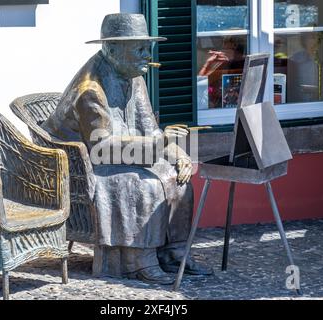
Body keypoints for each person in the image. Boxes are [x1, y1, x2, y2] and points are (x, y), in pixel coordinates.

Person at [41, 13, 212, 285]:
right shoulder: (90, 90)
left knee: (180, 181)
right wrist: (160, 145)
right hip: (85, 164)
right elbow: (102, 147)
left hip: (122, 153)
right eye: (140, 49)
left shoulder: (134, 76)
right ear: (111, 49)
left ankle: (173, 253)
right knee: (148, 185)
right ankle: (137, 261)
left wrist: (178, 155)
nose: (147, 56)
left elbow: (151, 129)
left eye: (148, 49)